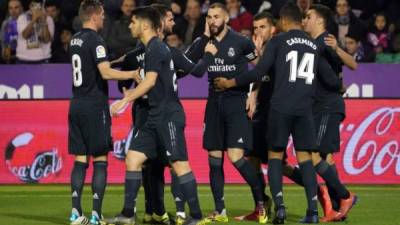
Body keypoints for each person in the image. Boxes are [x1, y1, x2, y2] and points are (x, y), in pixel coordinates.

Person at [214, 3, 342, 224]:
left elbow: (259, 73)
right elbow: (331, 80)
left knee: (274, 158)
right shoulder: (313, 44)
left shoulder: (278, 41)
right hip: (305, 110)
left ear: (282, 21)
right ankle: (312, 212)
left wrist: (229, 82)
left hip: (280, 108)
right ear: (299, 20)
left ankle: (280, 209)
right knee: (305, 160)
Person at [116, 4, 217, 225]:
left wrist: (125, 99)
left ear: (144, 25)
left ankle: (196, 216)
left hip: (168, 115)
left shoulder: (157, 49)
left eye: (133, 22)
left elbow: (150, 81)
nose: (130, 25)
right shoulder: (154, 49)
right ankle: (127, 214)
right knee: (133, 159)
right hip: (153, 116)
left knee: (179, 164)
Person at [185, 3, 268, 224]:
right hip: (213, 103)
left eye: (216, 17)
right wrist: (202, 37)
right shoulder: (205, 42)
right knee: (214, 158)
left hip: (235, 103)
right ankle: (220, 211)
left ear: (226, 19)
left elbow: (260, 69)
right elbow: (188, 65)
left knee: (235, 157)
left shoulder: (241, 42)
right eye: (209, 17)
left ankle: (261, 203)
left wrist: (253, 94)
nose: (212, 21)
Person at [67, 1, 138, 224]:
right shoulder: (96, 40)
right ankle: (96, 214)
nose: (105, 18)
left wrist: (114, 62)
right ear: (95, 15)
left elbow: (91, 66)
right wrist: (133, 74)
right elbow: (105, 73)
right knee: (99, 159)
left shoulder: (74, 39)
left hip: (76, 104)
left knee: (80, 158)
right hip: (94, 106)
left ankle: (76, 212)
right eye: (103, 14)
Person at [302, 4, 358, 222]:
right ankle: (335, 208)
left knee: (313, 154)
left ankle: (345, 196)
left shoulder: (325, 41)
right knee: (326, 157)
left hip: (327, 106)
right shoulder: (315, 43)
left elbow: (352, 65)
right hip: (319, 106)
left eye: (308, 16)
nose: (304, 20)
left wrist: (336, 49)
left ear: (319, 21)